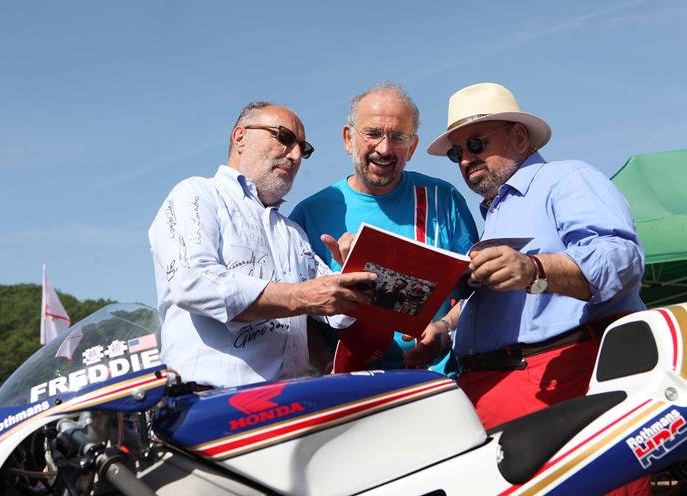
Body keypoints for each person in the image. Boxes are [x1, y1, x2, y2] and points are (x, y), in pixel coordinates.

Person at [410, 82, 649, 494]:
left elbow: (620, 257)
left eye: (476, 143)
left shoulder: (566, 178)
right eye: (456, 153)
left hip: (560, 385)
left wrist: (535, 268)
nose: (465, 159)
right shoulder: (497, 212)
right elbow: (505, 301)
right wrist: (445, 330)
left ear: (520, 137)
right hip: (502, 391)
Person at [148, 101, 376, 389]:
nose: (295, 155)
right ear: (240, 137)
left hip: (291, 401)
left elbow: (335, 312)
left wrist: (355, 275)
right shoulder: (196, 194)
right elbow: (193, 283)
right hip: (209, 401)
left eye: (303, 148)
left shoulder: (292, 233)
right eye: (284, 137)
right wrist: (301, 296)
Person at [290, 83, 478, 373]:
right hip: (353, 388)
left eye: (398, 137)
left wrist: (443, 329)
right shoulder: (308, 215)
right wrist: (328, 366)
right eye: (373, 133)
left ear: (412, 147)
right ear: (348, 138)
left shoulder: (443, 199)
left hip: (438, 382)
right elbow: (298, 317)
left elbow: (475, 289)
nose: (385, 148)